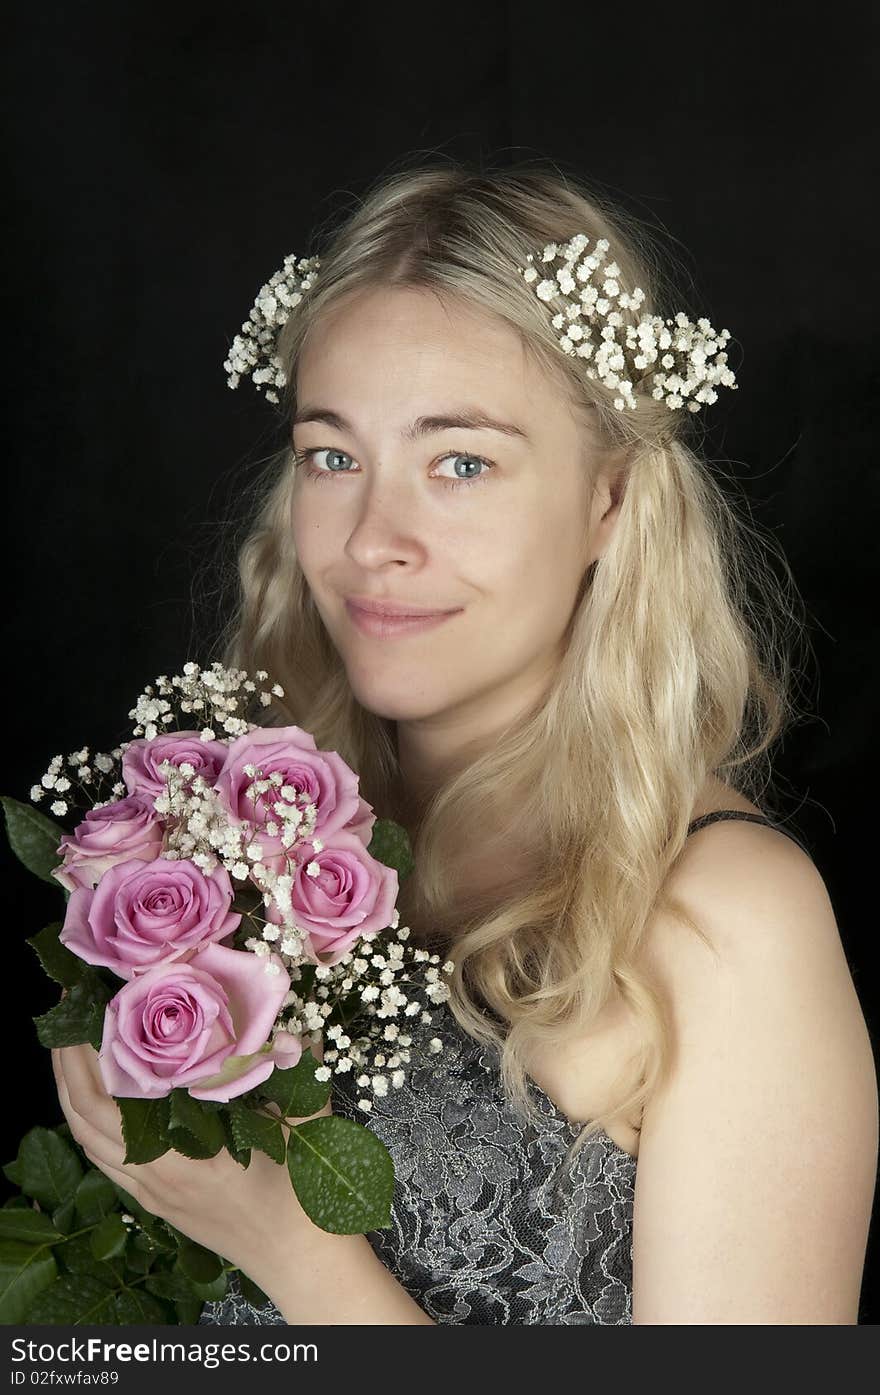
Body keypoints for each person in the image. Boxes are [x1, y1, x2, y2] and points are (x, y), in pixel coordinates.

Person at [52, 160, 879, 1325]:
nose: (372, 540)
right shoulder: (226, 847)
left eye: (461, 464)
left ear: (609, 501)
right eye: (333, 457)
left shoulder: (725, 916)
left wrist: (295, 1255)